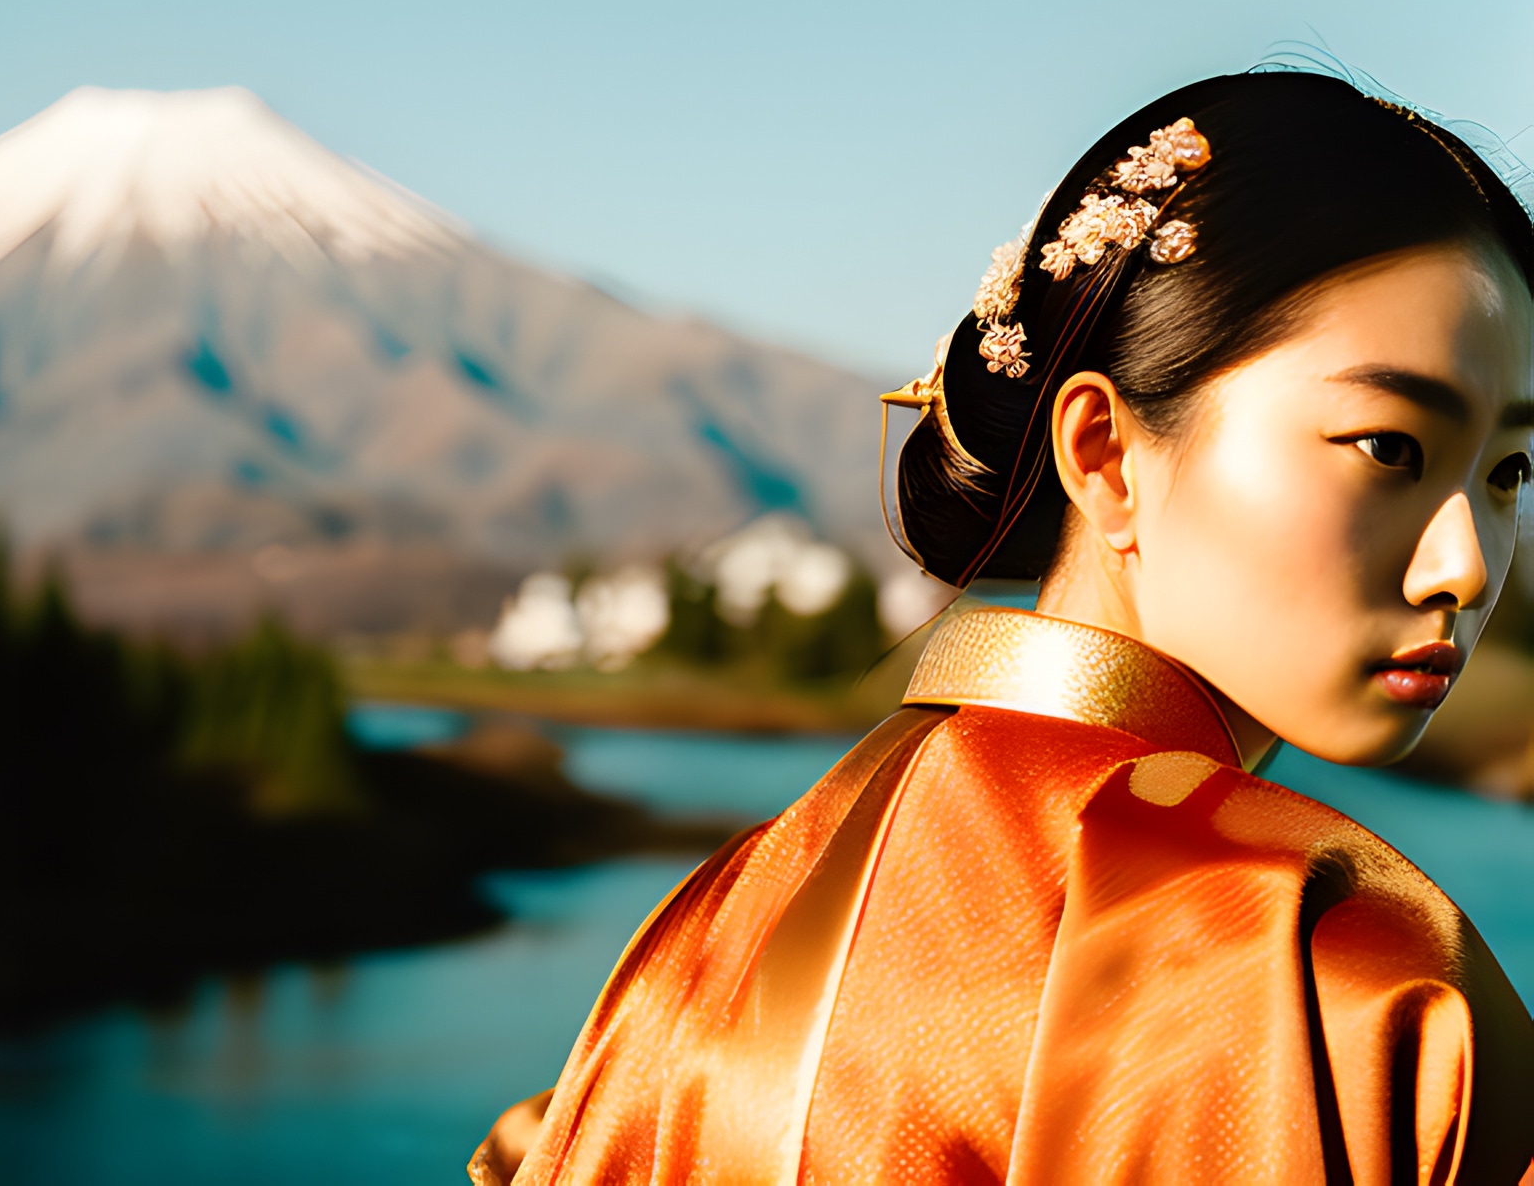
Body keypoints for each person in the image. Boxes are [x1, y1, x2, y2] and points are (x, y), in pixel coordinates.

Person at [469, 70, 1534, 1184]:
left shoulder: (704, 932)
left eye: (1509, 472)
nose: (1463, 565)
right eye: (1387, 448)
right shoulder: (1329, 970)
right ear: (1104, 454)